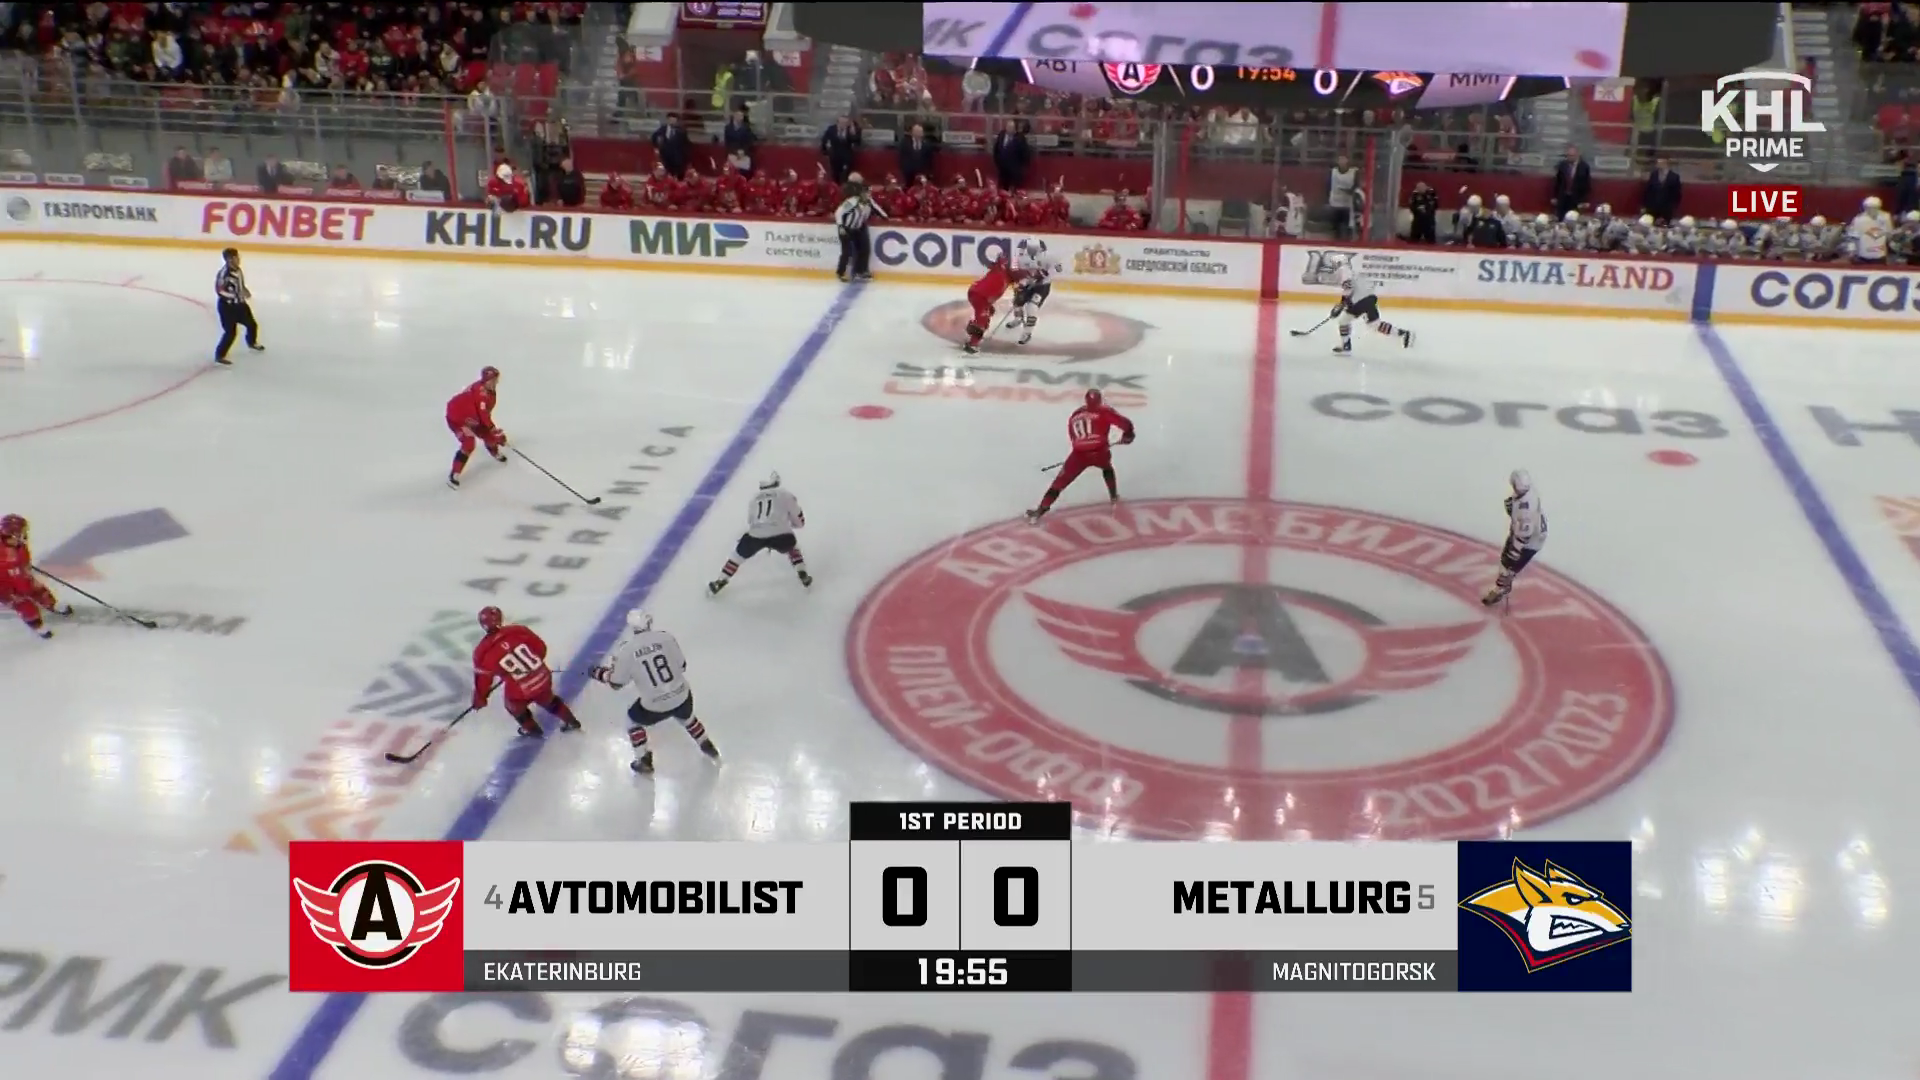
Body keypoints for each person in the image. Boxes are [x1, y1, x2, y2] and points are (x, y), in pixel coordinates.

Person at [592, 609, 720, 774]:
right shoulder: (666, 637)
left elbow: (616, 683)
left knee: (632, 722)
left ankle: (643, 758)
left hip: (654, 705)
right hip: (683, 695)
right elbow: (682, 666)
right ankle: (705, 743)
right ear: (649, 622)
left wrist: (599, 673)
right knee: (685, 715)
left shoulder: (627, 650)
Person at [1025, 388, 1135, 524]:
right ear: (1100, 400)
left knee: (1059, 484)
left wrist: (1082, 447)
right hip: (1099, 451)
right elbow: (1126, 424)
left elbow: (1072, 435)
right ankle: (1113, 496)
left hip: (1079, 454)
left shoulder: (1076, 414)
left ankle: (1040, 510)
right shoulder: (1104, 411)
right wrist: (1128, 436)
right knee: (1107, 467)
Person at [471, 606, 581, 738]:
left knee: (513, 706)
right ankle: (571, 721)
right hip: (542, 675)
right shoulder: (518, 630)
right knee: (547, 698)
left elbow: (483, 682)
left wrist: (480, 700)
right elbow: (541, 648)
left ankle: (532, 730)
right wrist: (531, 667)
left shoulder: (482, 653)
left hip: (520, 689)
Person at [709, 472, 810, 594]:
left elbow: (751, 521)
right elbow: (798, 516)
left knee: (737, 556)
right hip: (781, 533)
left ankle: (721, 580)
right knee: (792, 547)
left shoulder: (754, 499)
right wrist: (793, 525)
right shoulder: (784, 494)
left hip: (756, 534)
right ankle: (802, 572)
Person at [0, 515, 72, 640]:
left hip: (20, 575)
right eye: (21, 532)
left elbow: (24, 557)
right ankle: (38, 626)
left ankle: (52, 604)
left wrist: (25, 566)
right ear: (12, 534)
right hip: (5, 586)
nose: (24, 535)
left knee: (38, 589)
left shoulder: (19, 545)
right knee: (24, 604)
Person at [1483, 470, 1547, 608]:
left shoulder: (1525, 512)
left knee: (1508, 565)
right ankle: (1504, 581)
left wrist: (1514, 554)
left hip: (1530, 542)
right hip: (1531, 534)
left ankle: (1502, 588)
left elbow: (1523, 535)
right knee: (1507, 562)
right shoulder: (1529, 492)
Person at [1332, 258, 1413, 354]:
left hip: (1360, 300)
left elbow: (1348, 287)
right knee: (1373, 324)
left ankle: (1346, 345)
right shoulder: (1352, 270)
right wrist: (1344, 303)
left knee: (1345, 320)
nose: (1333, 266)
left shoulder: (1343, 270)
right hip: (1367, 298)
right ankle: (1402, 333)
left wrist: (1343, 303)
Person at [445, 366, 508, 489]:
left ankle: (494, 451)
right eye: (493, 380)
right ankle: (454, 474)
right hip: (458, 420)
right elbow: (483, 414)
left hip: (473, 418)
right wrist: (494, 431)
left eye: (496, 379)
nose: (496, 383)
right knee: (469, 443)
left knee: (489, 435)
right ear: (486, 381)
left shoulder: (489, 391)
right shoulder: (482, 394)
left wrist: (492, 432)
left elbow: (485, 416)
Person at [961, 255, 1028, 354]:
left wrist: (1020, 293)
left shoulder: (1008, 276)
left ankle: (972, 328)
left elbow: (1018, 283)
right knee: (982, 321)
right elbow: (1002, 261)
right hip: (979, 296)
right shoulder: (1000, 269)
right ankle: (972, 343)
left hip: (980, 296)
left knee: (987, 315)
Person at [1006, 238, 1062, 346]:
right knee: (1017, 301)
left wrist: (1045, 274)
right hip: (1027, 284)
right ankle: (1018, 318)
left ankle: (1027, 333)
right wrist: (1021, 284)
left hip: (1042, 287)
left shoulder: (1047, 256)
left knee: (1032, 308)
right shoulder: (1021, 256)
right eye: (1030, 248)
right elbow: (1017, 271)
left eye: (1034, 248)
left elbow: (1058, 268)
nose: (1032, 250)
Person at [213, 247, 263, 366]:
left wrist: (244, 290)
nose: (238, 259)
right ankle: (220, 355)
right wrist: (235, 295)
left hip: (240, 304)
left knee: (252, 324)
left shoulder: (238, 270)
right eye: (236, 257)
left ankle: (251, 342)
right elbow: (220, 291)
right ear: (229, 260)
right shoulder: (224, 275)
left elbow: (240, 284)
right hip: (227, 307)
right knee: (230, 332)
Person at [835, 185, 879, 281]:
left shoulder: (869, 202)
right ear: (861, 193)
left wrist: (888, 218)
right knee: (847, 252)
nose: (869, 195)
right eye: (867, 193)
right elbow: (839, 212)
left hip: (858, 229)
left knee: (864, 249)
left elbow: (879, 211)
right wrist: (840, 226)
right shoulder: (853, 201)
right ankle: (840, 272)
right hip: (846, 229)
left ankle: (860, 271)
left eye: (869, 193)